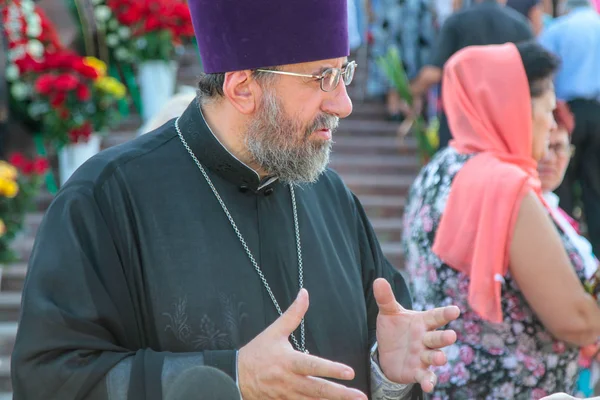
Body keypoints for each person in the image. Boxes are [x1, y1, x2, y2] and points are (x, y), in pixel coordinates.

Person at [11, 1, 461, 399]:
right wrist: (229, 379)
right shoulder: (106, 199)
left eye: (343, 72)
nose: (342, 104)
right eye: (322, 77)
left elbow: (369, 364)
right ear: (242, 87)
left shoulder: (333, 199)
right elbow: (52, 380)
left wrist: (386, 372)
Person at [401, 41, 600, 399]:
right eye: (548, 110)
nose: (550, 124)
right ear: (516, 107)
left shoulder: (438, 171)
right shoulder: (505, 186)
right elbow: (577, 322)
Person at [408, 0, 533, 150]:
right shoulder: (521, 26)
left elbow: (433, 73)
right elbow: (533, 79)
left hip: (461, 126)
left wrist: (410, 92)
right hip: (505, 128)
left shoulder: (457, 21)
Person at [537, 101, 600, 398]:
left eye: (560, 147)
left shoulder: (555, 210)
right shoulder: (526, 208)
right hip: (547, 372)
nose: (550, 158)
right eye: (543, 145)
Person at [538, 0, 600, 258]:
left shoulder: (557, 28)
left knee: (560, 184)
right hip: (597, 112)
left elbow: (541, 71)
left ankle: (564, 248)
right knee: (596, 187)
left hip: (567, 113)